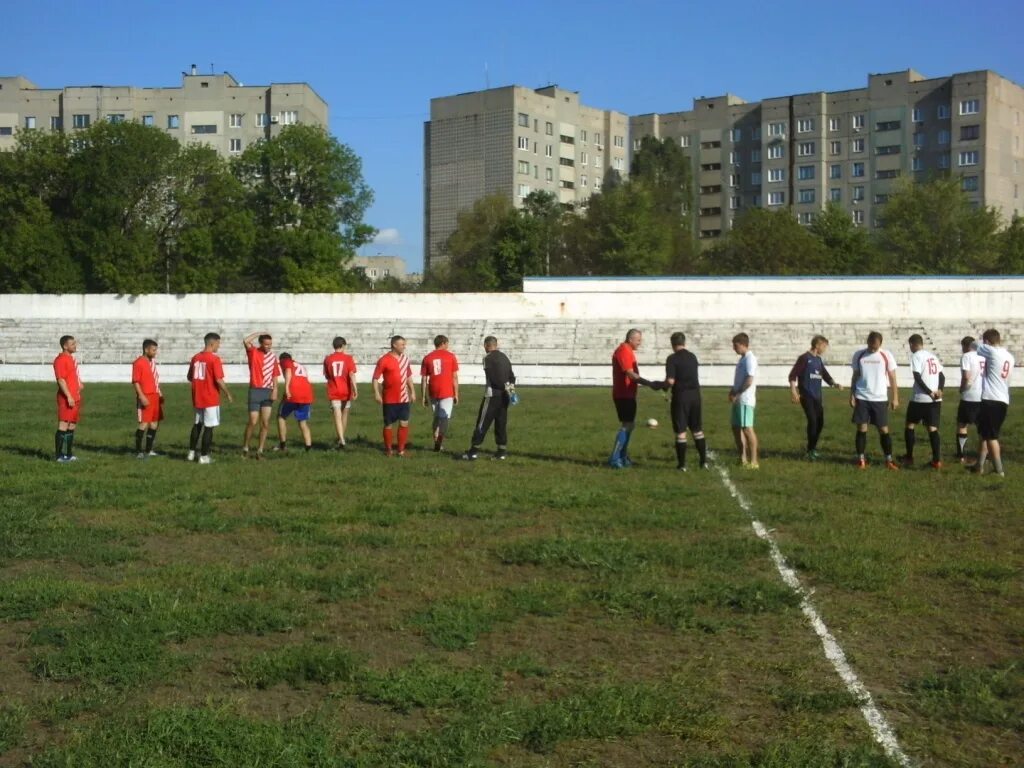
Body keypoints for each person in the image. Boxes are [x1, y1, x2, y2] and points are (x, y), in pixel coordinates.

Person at [850, 331, 900, 470]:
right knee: (862, 428)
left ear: (880, 344)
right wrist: (852, 394)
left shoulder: (886, 355)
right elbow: (855, 376)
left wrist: (895, 397)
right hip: (862, 397)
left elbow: (892, 378)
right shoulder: (859, 355)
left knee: (883, 429)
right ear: (867, 342)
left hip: (879, 398)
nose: (873, 349)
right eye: (871, 346)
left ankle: (889, 460)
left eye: (875, 347)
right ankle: (861, 459)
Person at [788, 335, 842, 461]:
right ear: (817, 345)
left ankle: (812, 448)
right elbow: (792, 375)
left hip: (817, 397)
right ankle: (810, 451)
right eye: (824, 346)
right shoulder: (804, 358)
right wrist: (794, 391)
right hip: (806, 396)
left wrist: (834, 383)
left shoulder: (818, 360)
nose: (825, 349)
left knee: (820, 423)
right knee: (812, 421)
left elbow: (825, 375)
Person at [462, 336, 516, 460]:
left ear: (486, 345)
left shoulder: (487, 358)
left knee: (482, 423)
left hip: (492, 395)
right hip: (505, 395)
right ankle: (501, 451)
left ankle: (473, 451)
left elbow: (492, 377)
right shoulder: (504, 357)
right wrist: (510, 390)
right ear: (496, 345)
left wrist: (501, 386)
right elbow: (512, 376)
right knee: (501, 423)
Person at [971, 329, 1015, 476]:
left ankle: (998, 470)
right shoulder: (1009, 356)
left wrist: (974, 343)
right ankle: (979, 465)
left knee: (991, 436)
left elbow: (973, 345)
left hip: (991, 399)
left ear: (988, 342)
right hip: (1003, 398)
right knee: (984, 434)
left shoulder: (992, 352)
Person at [662, 332, 707, 471]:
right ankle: (703, 462)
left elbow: (670, 380)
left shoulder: (672, 358)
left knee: (681, 431)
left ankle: (682, 465)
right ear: (684, 342)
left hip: (681, 396)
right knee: (697, 429)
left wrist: (663, 388)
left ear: (672, 344)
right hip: (695, 396)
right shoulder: (693, 357)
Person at [609, 329, 654, 469]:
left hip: (628, 393)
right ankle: (615, 458)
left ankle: (622, 456)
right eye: (638, 340)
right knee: (626, 425)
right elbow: (630, 373)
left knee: (630, 424)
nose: (640, 343)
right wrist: (650, 383)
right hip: (623, 394)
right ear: (630, 339)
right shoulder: (624, 351)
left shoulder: (628, 351)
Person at [187, 332, 233, 464]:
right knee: (209, 427)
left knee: (197, 425)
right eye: (218, 343)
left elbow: (189, 377)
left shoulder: (195, 357)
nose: (219, 346)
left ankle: (191, 453)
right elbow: (218, 379)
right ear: (212, 343)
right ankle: (204, 456)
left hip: (197, 397)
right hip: (210, 397)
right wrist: (227, 393)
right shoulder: (214, 359)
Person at [903, 334, 944, 469]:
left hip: (921, 398)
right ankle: (936, 460)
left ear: (913, 344)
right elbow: (942, 375)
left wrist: (928, 392)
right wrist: (939, 390)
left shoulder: (916, 356)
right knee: (932, 428)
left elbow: (917, 377)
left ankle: (909, 457)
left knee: (910, 425)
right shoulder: (932, 356)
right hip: (936, 399)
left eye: (910, 346)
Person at [372, 335, 415, 456]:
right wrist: (377, 393)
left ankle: (401, 450)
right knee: (388, 424)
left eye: (404, 344)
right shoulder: (384, 360)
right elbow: (375, 378)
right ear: (394, 345)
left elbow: (408, 376)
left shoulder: (405, 359)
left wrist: (412, 391)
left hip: (404, 397)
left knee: (404, 422)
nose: (404, 347)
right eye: (402, 344)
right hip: (389, 398)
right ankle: (389, 449)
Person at [241, 331, 280, 459]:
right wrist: (259, 333)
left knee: (265, 423)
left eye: (270, 344)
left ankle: (260, 450)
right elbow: (246, 341)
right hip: (255, 390)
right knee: (252, 421)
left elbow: (275, 374)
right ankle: (245, 447)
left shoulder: (272, 357)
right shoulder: (253, 352)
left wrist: (275, 390)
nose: (269, 346)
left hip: (267, 391)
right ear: (261, 343)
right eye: (266, 344)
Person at [421, 334, 460, 452]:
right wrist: (456, 394)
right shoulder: (451, 356)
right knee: (444, 417)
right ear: (443, 343)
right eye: (447, 343)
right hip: (447, 391)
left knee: (436, 417)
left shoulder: (427, 357)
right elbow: (454, 377)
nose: (448, 346)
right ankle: (440, 440)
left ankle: (436, 441)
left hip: (433, 390)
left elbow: (424, 379)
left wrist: (423, 396)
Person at [728, 333, 759, 469]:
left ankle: (754, 461)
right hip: (738, 399)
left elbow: (749, 380)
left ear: (743, 344)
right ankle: (742, 458)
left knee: (747, 429)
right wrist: (732, 390)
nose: (734, 349)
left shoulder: (750, 359)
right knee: (736, 428)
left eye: (735, 346)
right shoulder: (742, 359)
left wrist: (738, 392)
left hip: (745, 399)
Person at [324, 336, 358, 449]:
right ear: (343, 345)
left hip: (333, 389)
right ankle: (341, 438)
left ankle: (341, 439)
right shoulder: (348, 358)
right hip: (346, 390)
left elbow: (327, 375)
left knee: (337, 415)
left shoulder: (328, 359)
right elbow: (351, 374)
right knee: (344, 414)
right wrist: (355, 388)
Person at [131, 339, 163, 459]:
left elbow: (154, 379)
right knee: (144, 423)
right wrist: (141, 396)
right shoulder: (138, 362)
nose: (155, 352)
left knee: (154, 423)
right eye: (153, 350)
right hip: (145, 396)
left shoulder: (152, 362)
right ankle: (139, 451)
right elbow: (136, 381)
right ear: (146, 349)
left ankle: (149, 450)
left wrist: (160, 393)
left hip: (154, 395)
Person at [276, 353, 314, 452]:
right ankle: (308, 447)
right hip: (307, 393)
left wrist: (287, 388)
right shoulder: (299, 365)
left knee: (281, 417)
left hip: (293, 392)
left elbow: (288, 370)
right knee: (302, 422)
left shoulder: (285, 362)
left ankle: (283, 445)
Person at [53, 334, 83, 463]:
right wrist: (69, 396)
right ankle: (59, 455)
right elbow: (61, 379)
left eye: (75, 343)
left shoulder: (71, 359)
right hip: (67, 398)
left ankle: (69, 454)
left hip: (75, 397)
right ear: (65, 346)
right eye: (72, 344)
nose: (75, 346)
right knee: (63, 425)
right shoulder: (60, 360)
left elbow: (71, 376)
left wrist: (79, 383)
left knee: (72, 426)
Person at [955, 335, 984, 463]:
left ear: (966, 346)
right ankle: (982, 455)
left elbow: (966, 376)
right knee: (982, 428)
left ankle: (961, 454)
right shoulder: (983, 356)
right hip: (983, 395)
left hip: (970, 395)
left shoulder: (966, 357)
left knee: (962, 424)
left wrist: (962, 388)